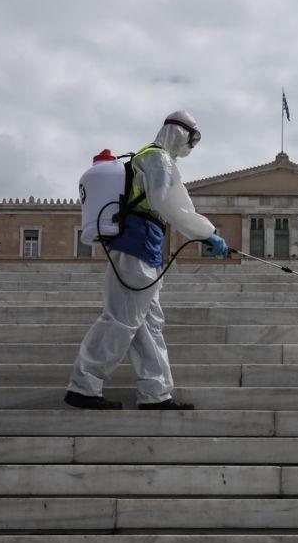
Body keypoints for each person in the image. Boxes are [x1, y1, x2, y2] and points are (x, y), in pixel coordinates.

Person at [64, 110, 228, 410]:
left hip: (147, 246)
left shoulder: (159, 160)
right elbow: (171, 205)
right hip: (135, 245)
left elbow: (176, 204)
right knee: (121, 319)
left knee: (149, 324)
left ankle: (156, 394)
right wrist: (207, 233)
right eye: (192, 139)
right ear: (180, 133)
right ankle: (83, 386)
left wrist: (206, 232)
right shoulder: (157, 158)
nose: (191, 147)